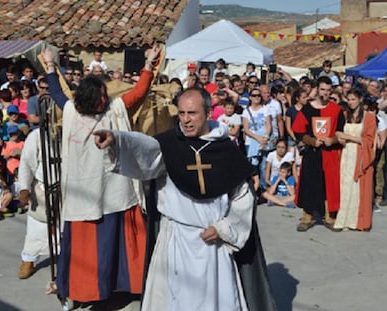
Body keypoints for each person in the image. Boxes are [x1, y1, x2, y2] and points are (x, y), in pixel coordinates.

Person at [93, 87, 275, 311]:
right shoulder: (169, 145)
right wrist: (117, 140)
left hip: (212, 244)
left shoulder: (226, 150)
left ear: (208, 114)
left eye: (193, 113)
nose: (186, 120)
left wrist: (224, 228)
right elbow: (143, 148)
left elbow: (242, 197)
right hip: (175, 240)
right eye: (181, 114)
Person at [42, 45, 160, 304]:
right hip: (84, 192)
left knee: (114, 239)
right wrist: (50, 66)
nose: (105, 99)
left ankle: (124, 286)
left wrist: (149, 64)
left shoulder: (112, 110)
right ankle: (85, 290)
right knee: (88, 248)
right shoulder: (74, 111)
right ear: (89, 97)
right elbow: (56, 93)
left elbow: (139, 93)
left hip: (114, 188)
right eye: (101, 96)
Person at [292, 76, 345, 232]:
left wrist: (333, 139)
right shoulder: (308, 109)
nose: (325, 93)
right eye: (322, 89)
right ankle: (307, 216)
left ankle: (330, 216)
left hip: (330, 153)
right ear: (317, 90)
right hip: (312, 153)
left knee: (329, 183)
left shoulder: (336, 110)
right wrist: (312, 141)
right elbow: (299, 132)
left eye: (329, 90)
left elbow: (341, 132)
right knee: (309, 183)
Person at [334, 89, 377, 231]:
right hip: (345, 154)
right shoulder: (345, 115)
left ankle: (356, 222)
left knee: (357, 188)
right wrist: (340, 138)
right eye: (349, 99)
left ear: (359, 99)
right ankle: (343, 220)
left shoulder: (369, 117)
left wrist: (348, 137)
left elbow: (369, 140)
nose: (351, 102)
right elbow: (338, 133)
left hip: (360, 155)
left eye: (353, 99)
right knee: (344, 187)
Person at [16, 128, 56, 279]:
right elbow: (26, 162)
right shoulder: (37, 135)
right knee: (37, 229)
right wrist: (24, 188)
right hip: (43, 188)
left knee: (65, 230)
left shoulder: (75, 130)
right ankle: (28, 260)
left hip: (69, 190)